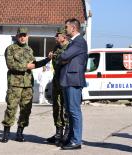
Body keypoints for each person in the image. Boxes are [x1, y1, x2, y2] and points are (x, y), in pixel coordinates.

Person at [1, 27, 52, 143]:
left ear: (27, 36)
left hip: (27, 84)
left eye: (25, 35)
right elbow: (11, 65)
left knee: (26, 110)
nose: (23, 37)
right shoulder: (10, 49)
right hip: (15, 84)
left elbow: (34, 64)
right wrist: (26, 66)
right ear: (17, 36)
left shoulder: (29, 50)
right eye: (21, 35)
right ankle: (6, 133)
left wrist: (47, 60)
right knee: (11, 109)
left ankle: (19, 133)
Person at [57, 18, 88, 150]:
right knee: (70, 111)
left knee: (74, 111)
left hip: (73, 80)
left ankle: (76, 141)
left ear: (73, 28)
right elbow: (64, 57)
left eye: (66, 27)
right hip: (68, 79)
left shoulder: (79, 42)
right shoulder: (73, 42)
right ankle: (71, 138)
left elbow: (63, 57)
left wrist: (63, 59)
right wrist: (63, 58)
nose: (65, 30)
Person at [46, 27, 70, 146]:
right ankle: (58, 132)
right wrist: (51, 57)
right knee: (57, 107)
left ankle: (67, 133)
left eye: (57, 35)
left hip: (65, 81)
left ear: (64, 37)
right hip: (56, 81)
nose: (55, 38)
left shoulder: (70, 47)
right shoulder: (56, 47)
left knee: (66, 107)